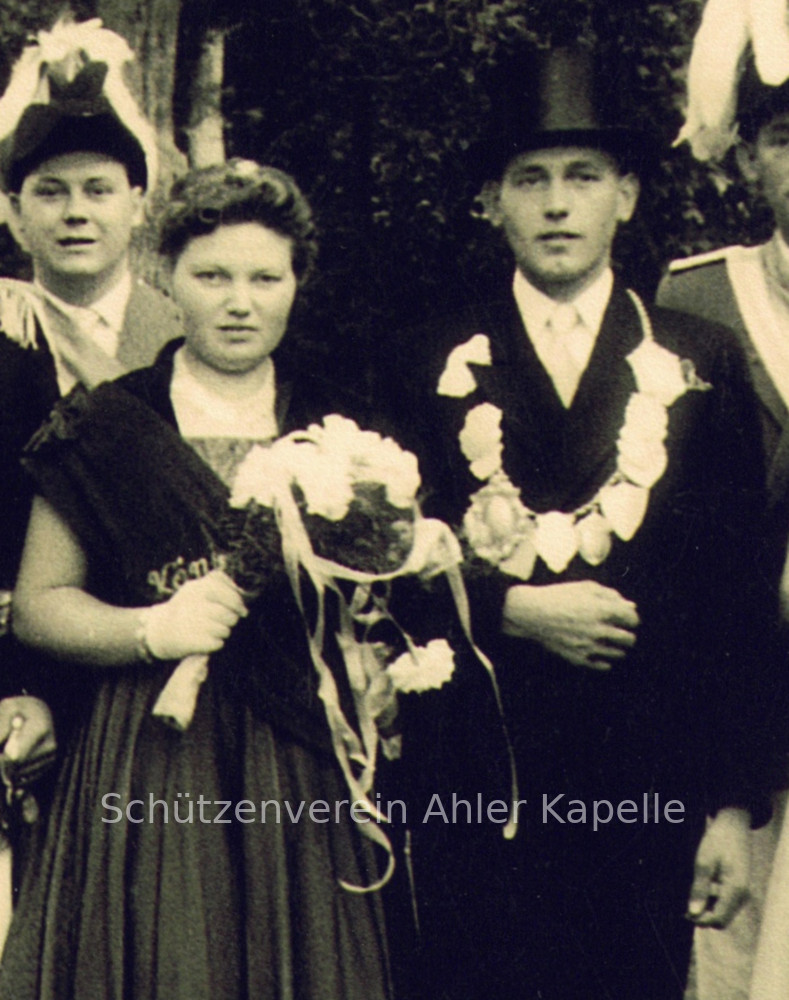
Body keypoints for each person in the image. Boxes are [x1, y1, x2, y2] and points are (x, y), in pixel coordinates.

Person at [389, 45, 775, 1000]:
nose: (556, 205)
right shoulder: (422, 358)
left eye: (583, 176)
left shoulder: (695, 358)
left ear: (627, 196)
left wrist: (731, 807)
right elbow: (375, 565)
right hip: (478, 780)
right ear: (491, 201)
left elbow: (736, 596)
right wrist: (504, 609)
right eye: (529, 179)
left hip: (644, 787)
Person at [0, 160, 395, 999]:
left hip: (296, 751)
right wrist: (151, 629)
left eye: (264, 278)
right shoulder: (107, 422)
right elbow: (38, 607)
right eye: (211, 276)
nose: (238, 302)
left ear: (297, 283)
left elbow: (379, 596)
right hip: (148, 749)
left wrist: (373, 661)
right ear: (168, 277)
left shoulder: (341, 423)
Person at [0, 19, 181, 816]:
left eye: (99, 190)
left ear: (138, 205)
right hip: (25, 693)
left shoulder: (188, 336)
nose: (76, 213)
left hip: (176, 680)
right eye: (50, 191)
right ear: (12, 213)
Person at [657, 38, 789, 1000]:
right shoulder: (696, 295)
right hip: (750, 699)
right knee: (742, 960)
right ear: (745, 157)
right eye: (786, 140)